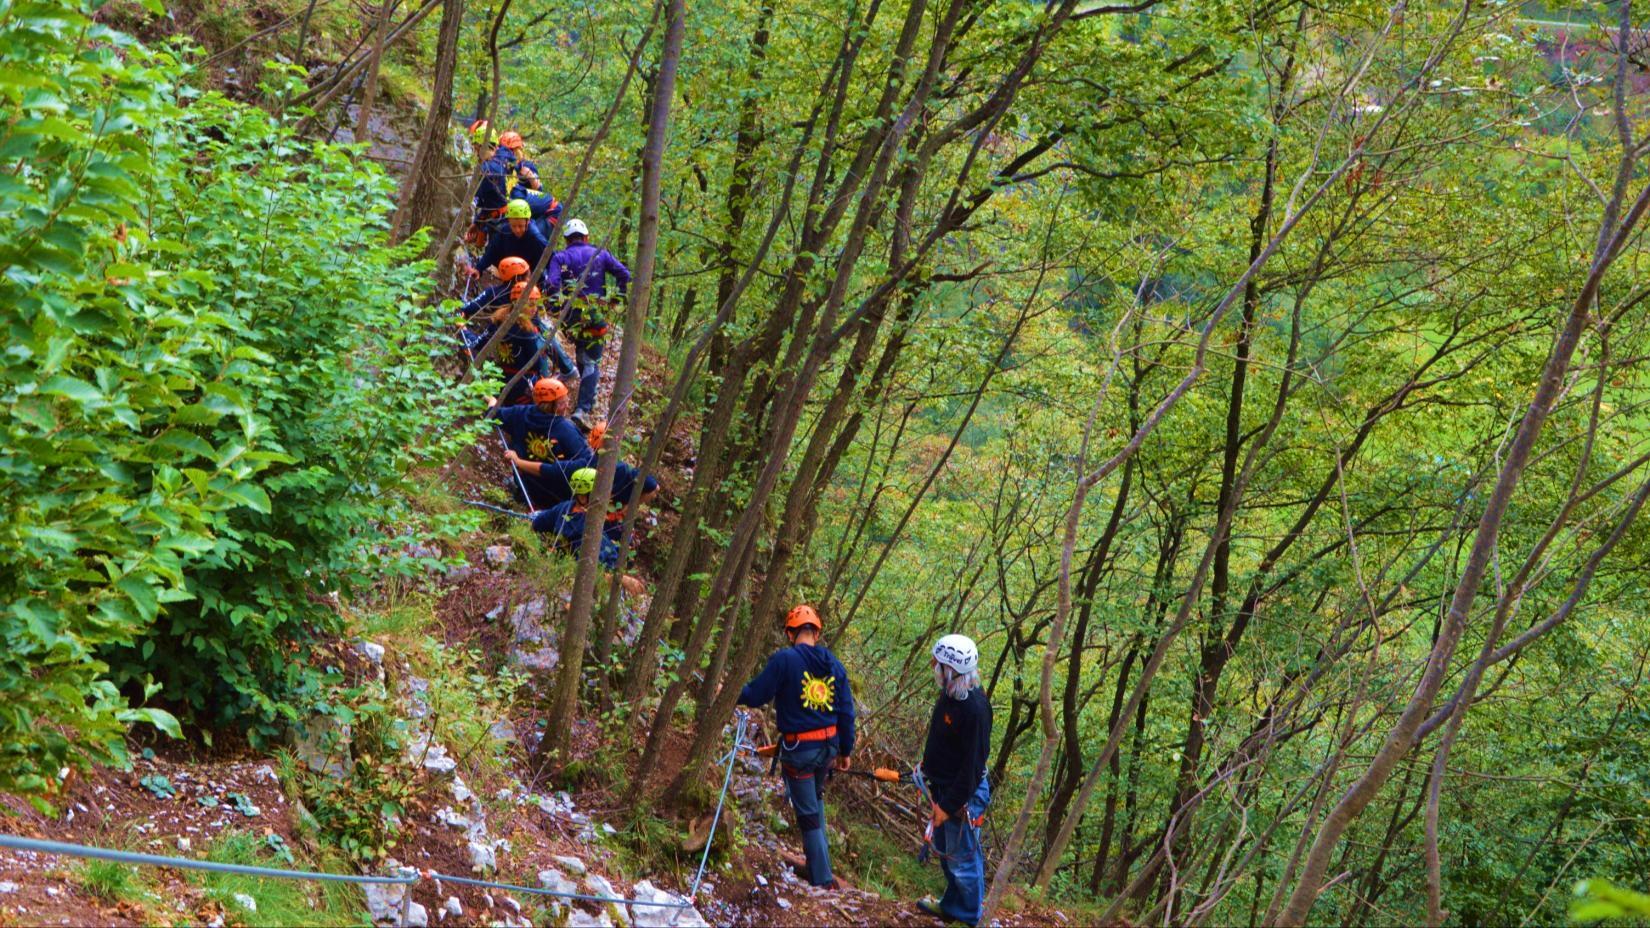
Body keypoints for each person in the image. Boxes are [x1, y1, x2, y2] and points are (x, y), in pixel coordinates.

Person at [736, 605, 855, 889]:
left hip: (800, 751)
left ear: (791, 633)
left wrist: (732, 692)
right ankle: (819, 869)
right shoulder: (834, 665)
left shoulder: (784, 660)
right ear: (816, 632)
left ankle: (823, 881)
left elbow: (756, 695)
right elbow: (847, 712)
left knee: (809, 817)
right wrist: (845, 751)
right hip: (828, 747)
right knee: (816, 805)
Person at [916, 635, 992, 927]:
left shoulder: (975, 710)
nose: (933, 666)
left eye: (937, 663)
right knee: (948, 857)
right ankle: (953, 907)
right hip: (943, 787)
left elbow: (972, 768)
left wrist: (947, 806)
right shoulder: (951, 693)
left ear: (950, 669)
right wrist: (929, 767)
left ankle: (969, 918)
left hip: (963, 795)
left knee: (963, 861)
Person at [546, 219, 630, 428]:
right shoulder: (599, 254)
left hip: (572, 314)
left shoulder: (561, 257)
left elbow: (552, 284)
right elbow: (624, 274)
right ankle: (583, 409)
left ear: (566, 239)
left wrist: (558, 309)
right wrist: (616, 299)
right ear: (586, 237)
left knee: (584, 355)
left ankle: (579, 404)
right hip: (595, 312)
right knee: (590, 360)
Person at [491, 378, 592, 508]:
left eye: (566, 401)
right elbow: (587, 463)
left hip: (529, 488)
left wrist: (490, 400)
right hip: (557, 497)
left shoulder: (520, 414)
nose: (567, 405)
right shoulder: (566, 431)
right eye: (562, 403)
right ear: (549, 405)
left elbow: (494, 413)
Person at [478, 281, 548, 405]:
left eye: (536, 305)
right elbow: (536, 365)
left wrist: (465, 331)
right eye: (531, 305)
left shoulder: (499, 319)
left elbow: (479, 343)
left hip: (501, 379)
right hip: (522, 385)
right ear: (519, 304)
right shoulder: (527, 331)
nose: (535, 309)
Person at [469, 199, 550, 281]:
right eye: (513, 226)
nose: (517, 230)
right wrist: (478, 269)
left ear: (527, 221)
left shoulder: (535, 237)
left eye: (520, 226)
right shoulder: (505, 231)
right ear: (509, 222)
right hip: (512, 272)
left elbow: (550, 258)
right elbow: (492, 251)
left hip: (530, 277)